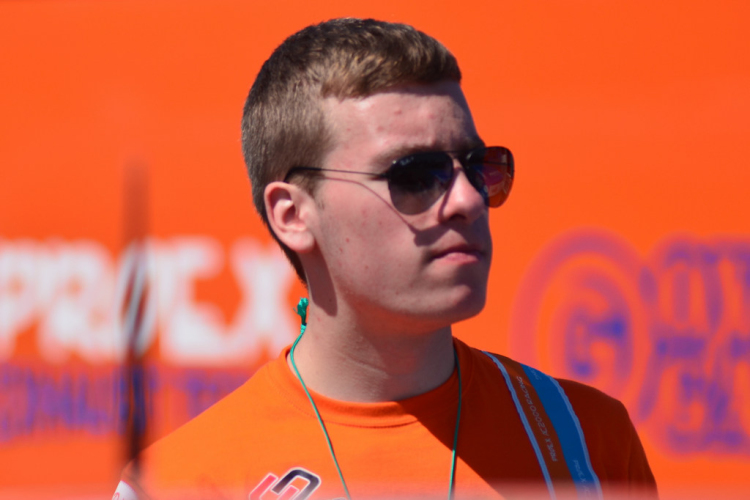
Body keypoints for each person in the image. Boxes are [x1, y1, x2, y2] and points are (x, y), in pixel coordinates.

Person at [114, 18, 657, 500]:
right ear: (293, 215)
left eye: (478, 166)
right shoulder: (181, 483)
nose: (468, 200)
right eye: (415, 175)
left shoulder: (586, 439)